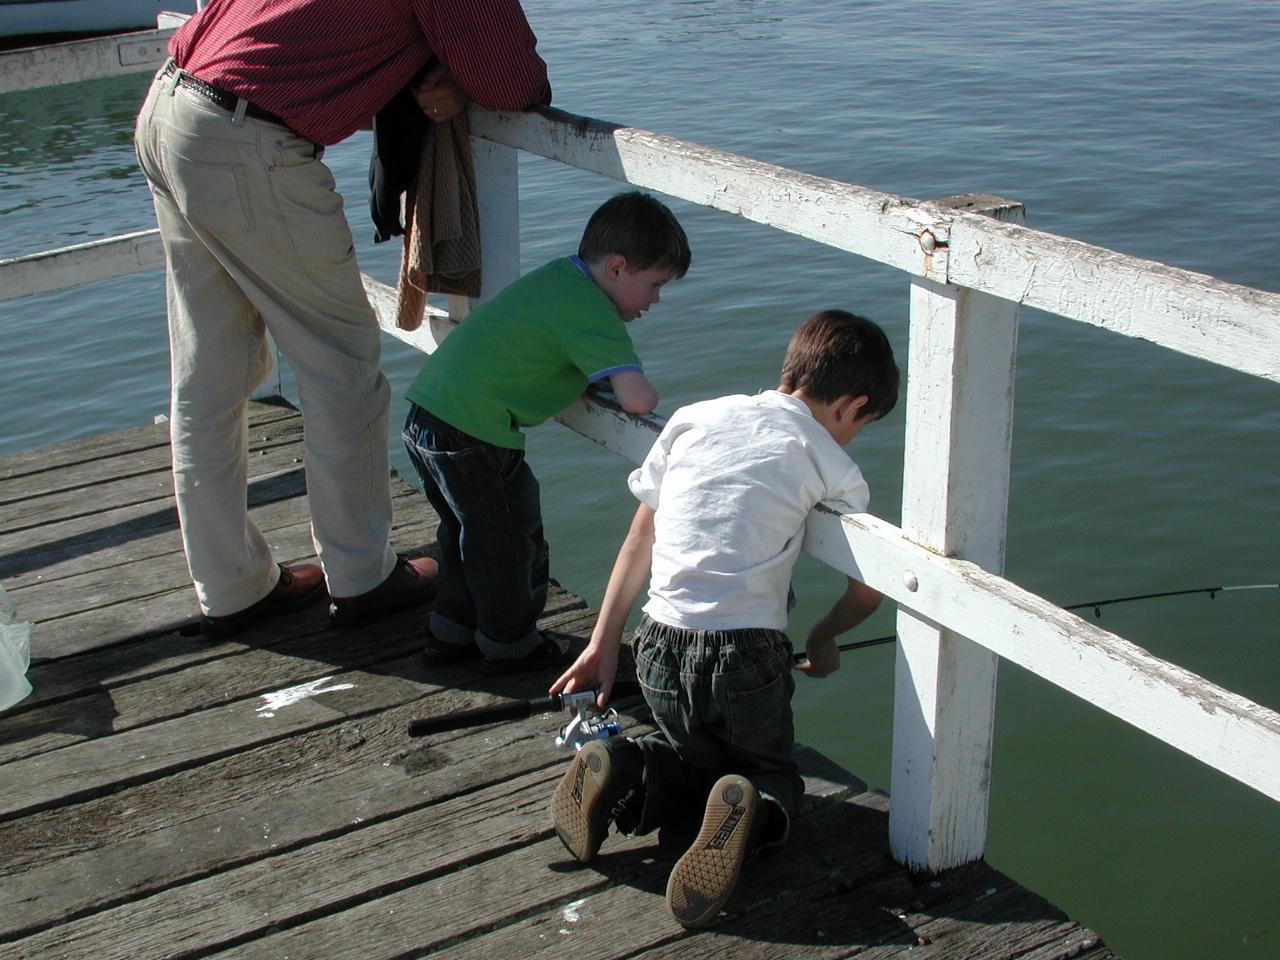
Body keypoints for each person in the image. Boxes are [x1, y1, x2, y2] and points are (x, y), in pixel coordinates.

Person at [132, 0, 552, 637]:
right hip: (245, 140)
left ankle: (231, 587)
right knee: (342, 369)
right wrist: (447, 70)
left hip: (171, 108)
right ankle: (363, 578)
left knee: (208, 377)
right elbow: (513, 82)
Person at [547, 309, 900, 928]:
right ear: (853, 405)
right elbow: (867, 592)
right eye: (861, 426)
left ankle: (628, 767)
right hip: (746, 656)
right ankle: (754, 807)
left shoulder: (695, 418)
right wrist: (823, 637)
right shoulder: (831, 462)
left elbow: (639, 539)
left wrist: (604, 643)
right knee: (769, 771)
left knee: (687, 755)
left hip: (657, 641)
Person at [401, 192, 691, 675]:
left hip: (427, 414)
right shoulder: (596, 315)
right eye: (656, 285)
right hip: (475, 434)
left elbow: (541, 343)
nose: (656, 300)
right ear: (617, 268)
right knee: (511, 543)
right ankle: (510, 646)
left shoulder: (558, 277)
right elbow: (638, 400)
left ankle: (450, 632)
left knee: (461, 533)